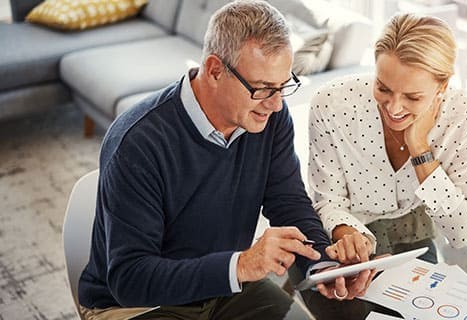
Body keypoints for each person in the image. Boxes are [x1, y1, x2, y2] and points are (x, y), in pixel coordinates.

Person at [77, 1, 373, 319]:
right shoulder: (138, 141)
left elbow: (288, 203)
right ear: (215, 70)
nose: (275, 105)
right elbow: (130, 279)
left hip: (226, 286)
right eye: (262, 89)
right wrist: (241, 265)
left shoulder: (268, 117)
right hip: (140, 303)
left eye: (283, 86)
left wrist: (323, 268)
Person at [300, 13, 467, 319]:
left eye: (413, 97)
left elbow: (461, 232)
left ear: (443, 85)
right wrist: (349, 236)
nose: (394, 107)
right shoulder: (331, 103)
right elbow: (328, 200)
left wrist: (420, 148)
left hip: (411, 235)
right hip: (344, 234)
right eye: (383, 88)